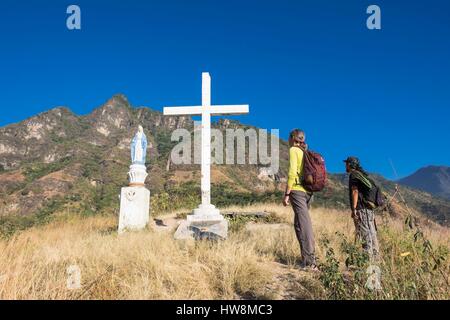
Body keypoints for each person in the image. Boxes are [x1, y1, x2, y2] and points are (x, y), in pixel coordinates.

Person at [283, 129, 317, 270]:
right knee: (298, 224)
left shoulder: (294, 150)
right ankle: (305, 258)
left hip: (297, 190)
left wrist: (287, 193)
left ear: (292, 138)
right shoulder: (305, 151)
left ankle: (310, 262)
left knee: (304, 224)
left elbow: (292, 173)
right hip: (308, 192)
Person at [344, 156, 380, 259]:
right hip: (369, 209)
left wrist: (354, 209)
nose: (345, 166)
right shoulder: (361, 175)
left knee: (365, 234)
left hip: (361, 208)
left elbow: (355, 191)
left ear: (350, 165)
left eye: (346, 164)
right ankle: (375, 258)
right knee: (372, 232)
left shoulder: (354, 175)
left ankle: (367, 259)